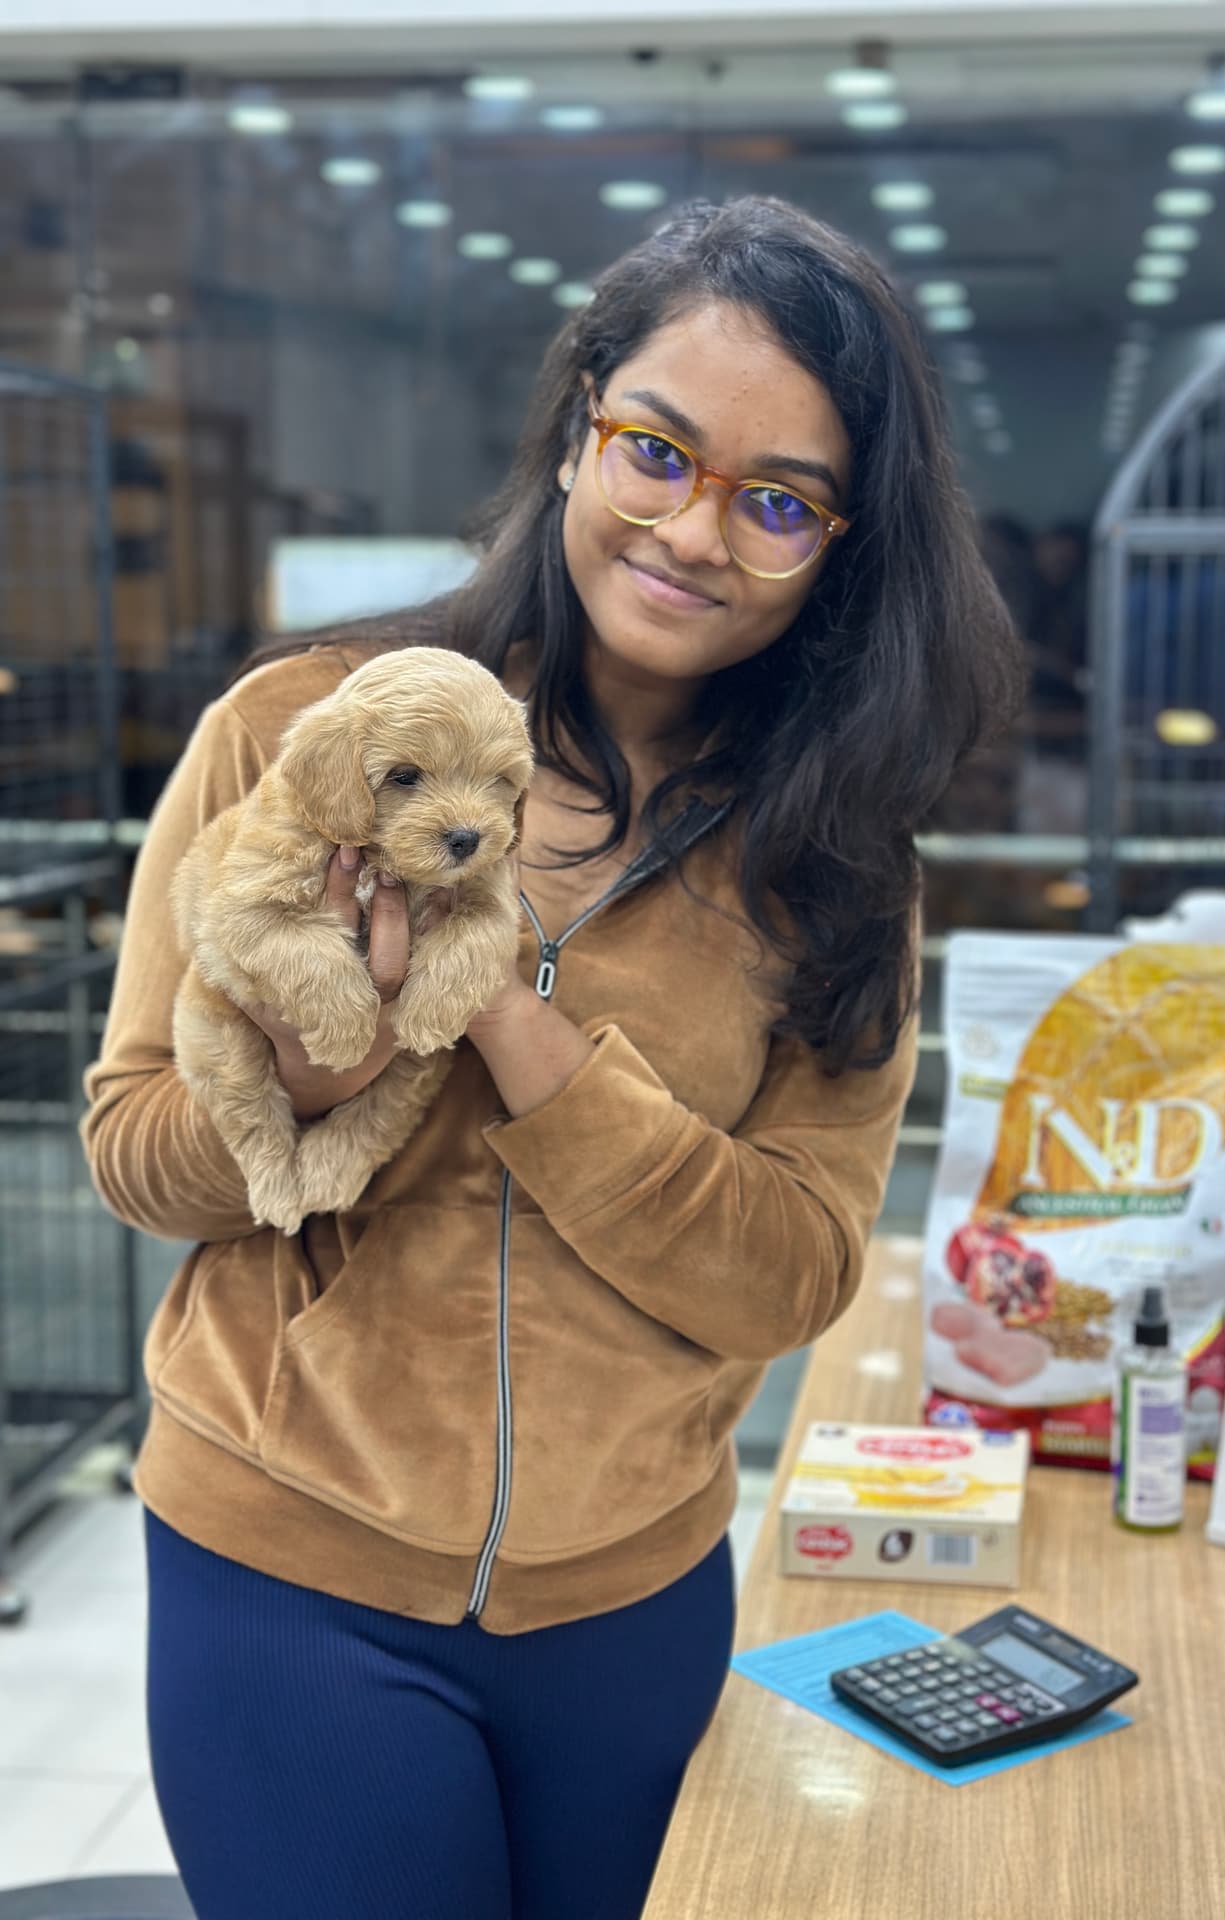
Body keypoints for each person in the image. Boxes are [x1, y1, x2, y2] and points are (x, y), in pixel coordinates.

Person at [82, 195, 1021, 1920]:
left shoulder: (837, 860)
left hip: (633, 1602)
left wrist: (512, 1023)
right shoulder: (301, 734)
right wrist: (308, 1071)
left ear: (844, 543)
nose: (694, 532)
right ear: (585, 418)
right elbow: (136, 1147)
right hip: (289, 1579)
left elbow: (794, 1271)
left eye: (781, 502)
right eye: (655, 450)